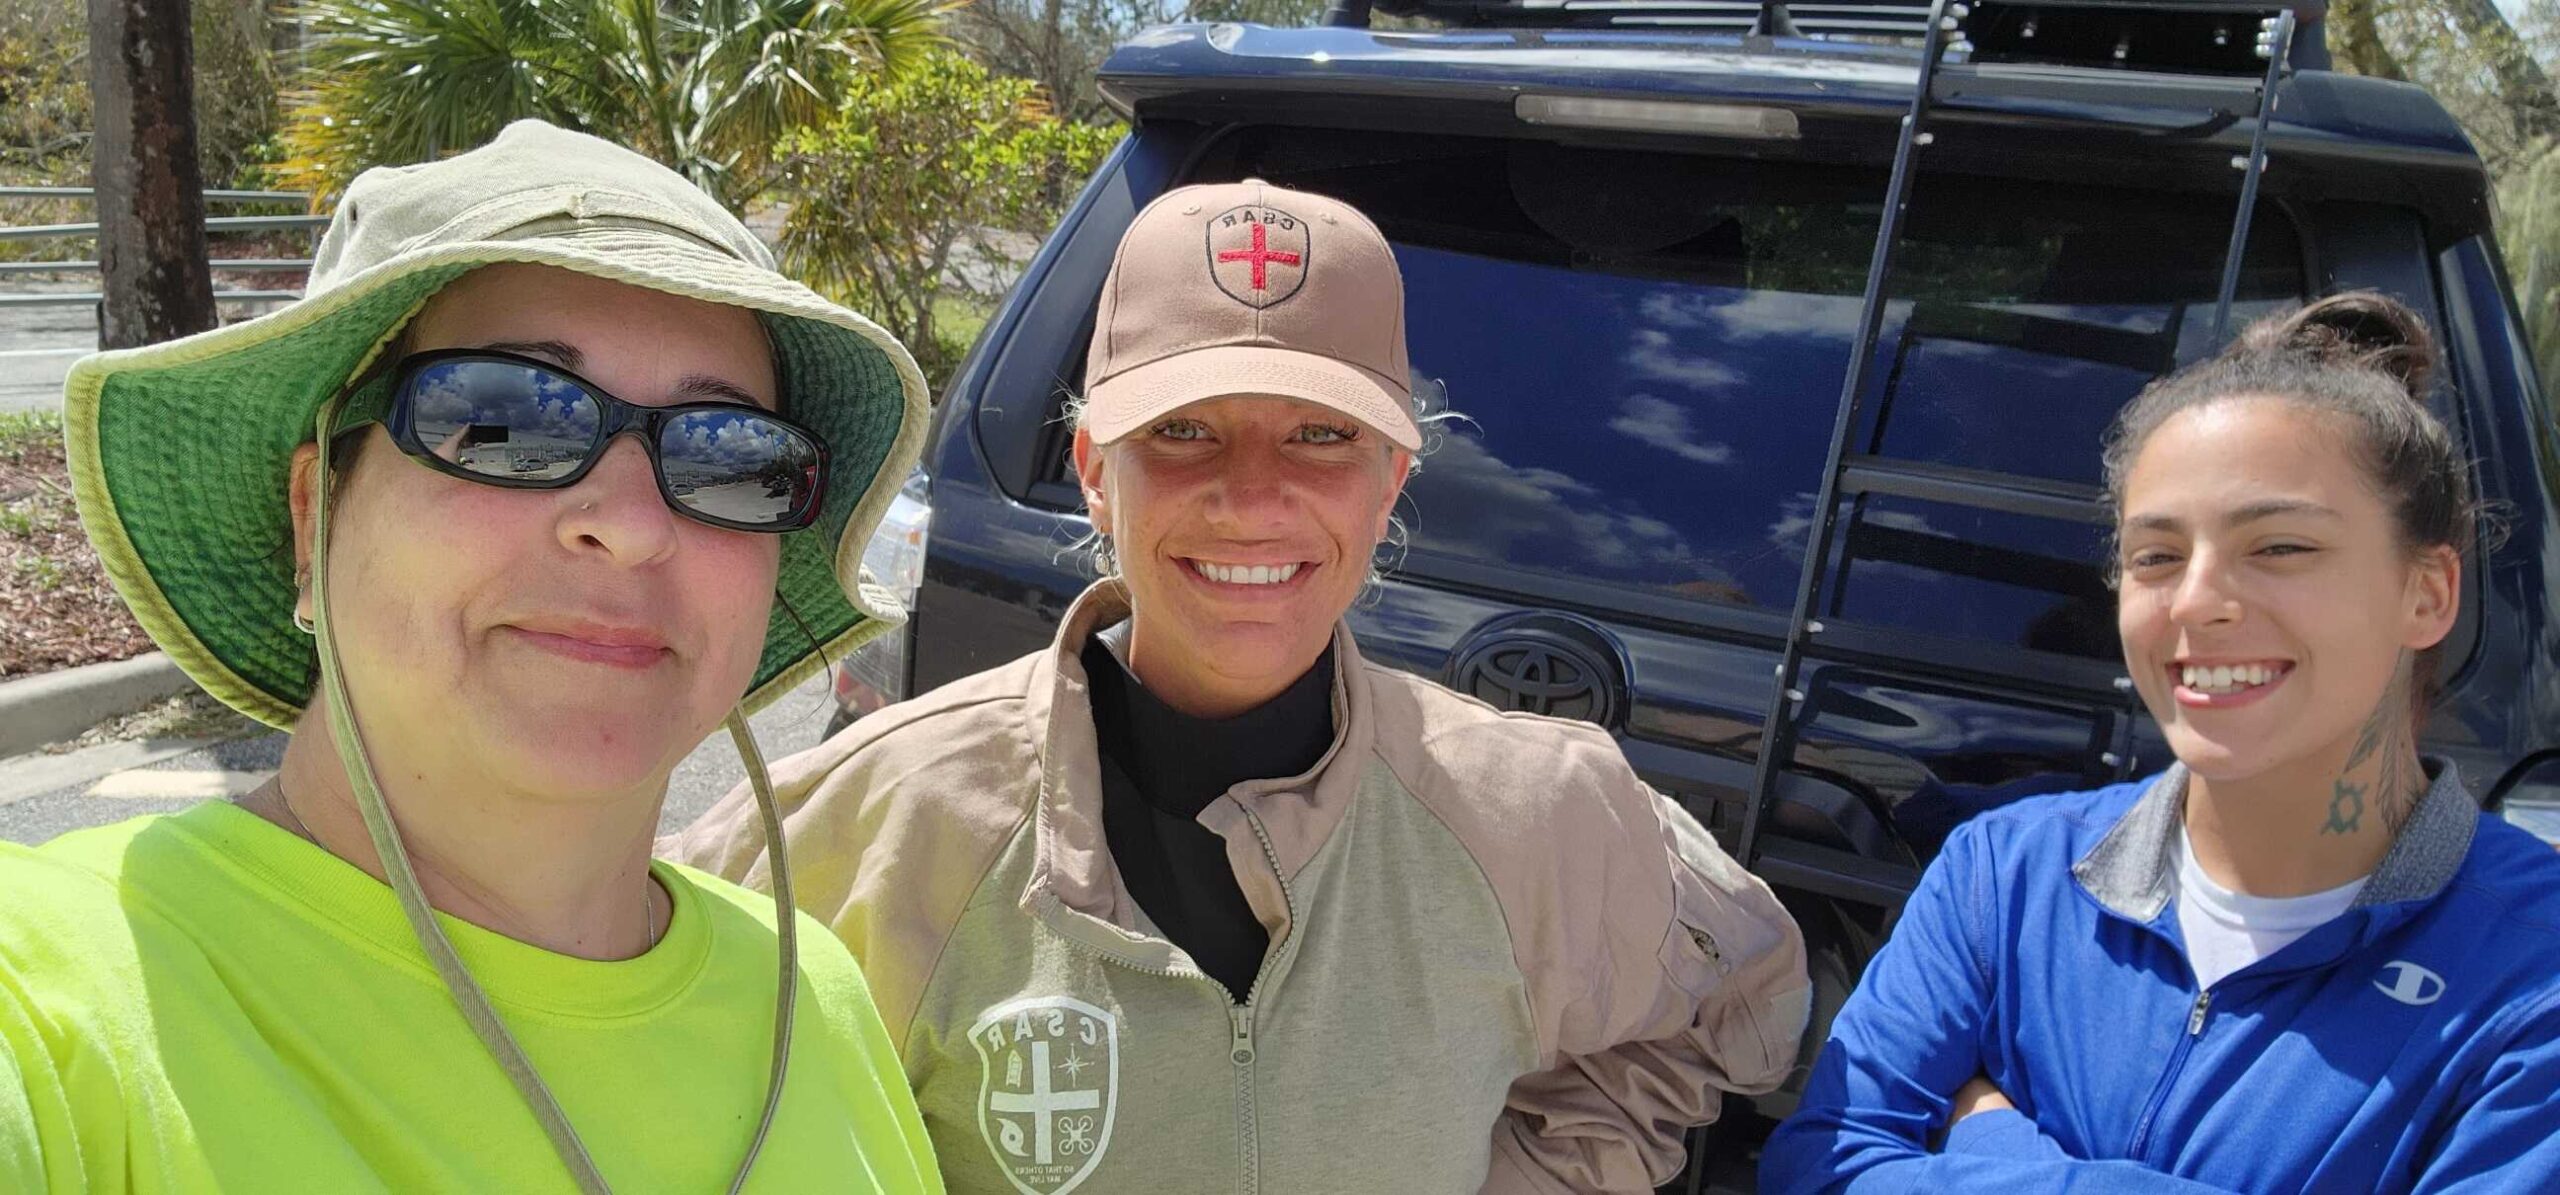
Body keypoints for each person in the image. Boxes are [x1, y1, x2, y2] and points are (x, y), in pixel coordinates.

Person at [667, 179, 1811, 1193]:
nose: (1253, 497)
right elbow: (634, 1055)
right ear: (1094, 472)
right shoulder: (876, 822)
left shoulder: (1532, 810)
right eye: (1183, 430)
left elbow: (1740, 998)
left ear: (1389, 482)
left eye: (1319, 434)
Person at [0, 120, 942, 1192]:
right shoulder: (61, 1003)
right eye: (503, 418)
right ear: (315, 515)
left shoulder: (812, 1000)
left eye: (727, 455)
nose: (631, 524)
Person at [1761, 292, 2560, 1193]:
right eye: (2156, 556)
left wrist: (1994, 1146)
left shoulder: (2534, 969)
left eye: (2280, 546)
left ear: (2428, 593)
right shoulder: (2004, 877)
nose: (2196, 600)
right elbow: (1820, 1165)